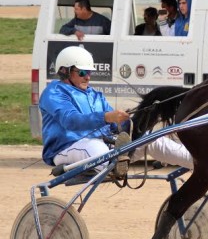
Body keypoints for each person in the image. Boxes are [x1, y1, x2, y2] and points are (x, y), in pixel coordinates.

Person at [40, 46, 193, 175]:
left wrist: (135, 120)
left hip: (104, 148)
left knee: (151, 138)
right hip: (66, 148)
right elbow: (70, 121)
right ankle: (113, 167)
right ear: (64, 71)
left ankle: (199, 161)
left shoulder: (95, 95)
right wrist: (107, 117)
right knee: (95, 146)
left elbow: (115, 126)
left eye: (89, 72)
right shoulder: (54, 92)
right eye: (82, 72)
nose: (87, 77)